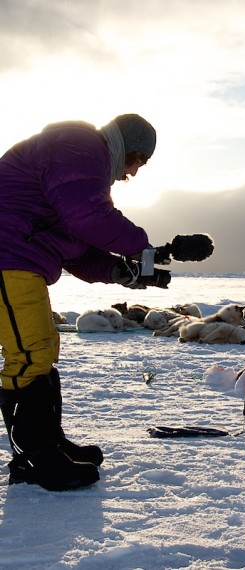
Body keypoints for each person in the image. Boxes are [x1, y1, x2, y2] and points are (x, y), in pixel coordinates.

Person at [0, 114, 165, 491]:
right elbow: (90, 218)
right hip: (6, 257)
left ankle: (49, 445)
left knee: (40, 350)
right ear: (125, 146)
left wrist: (127, 271)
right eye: (137, 160)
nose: (134, 172)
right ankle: (33, 460)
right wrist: (145, 250)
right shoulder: (78, 147)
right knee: (28, 357)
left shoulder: (77, 165)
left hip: (20, 261)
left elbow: (78, 246)